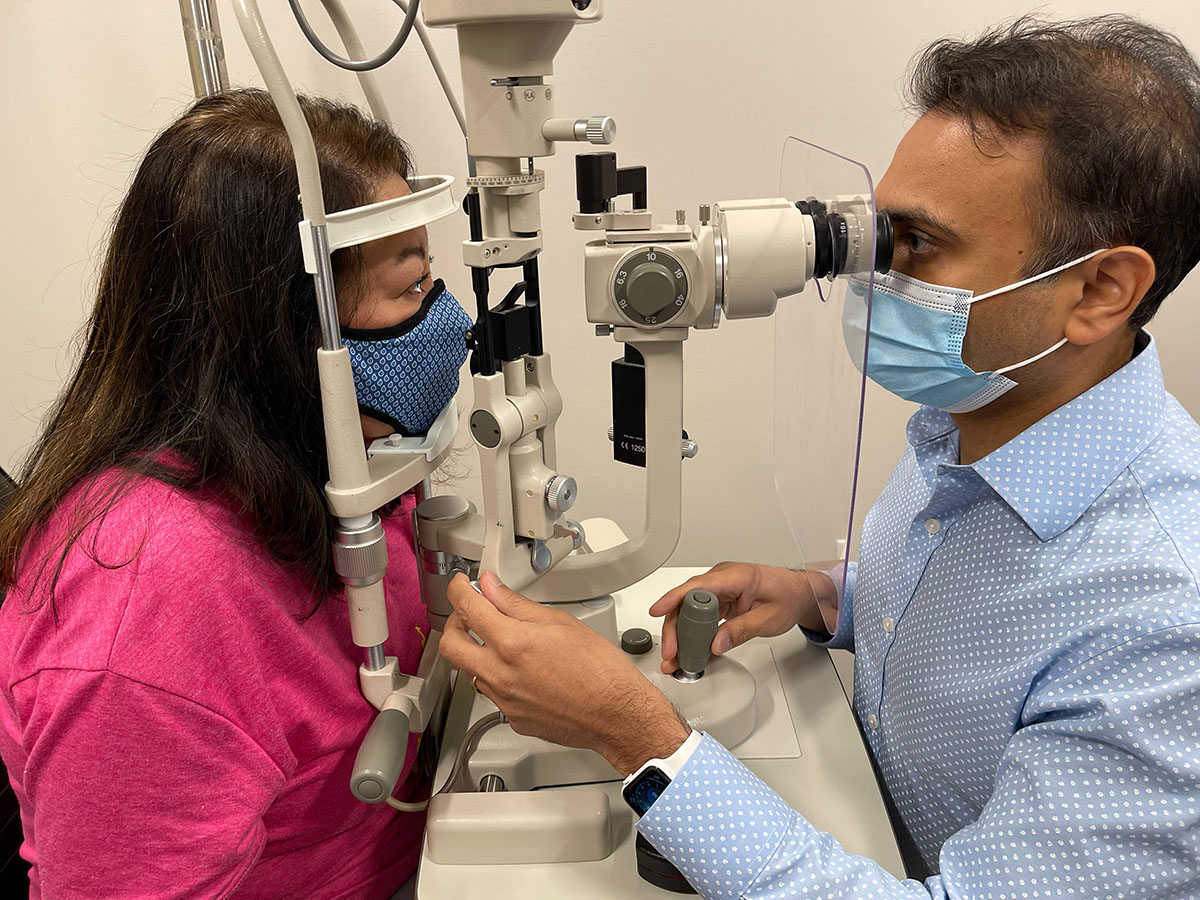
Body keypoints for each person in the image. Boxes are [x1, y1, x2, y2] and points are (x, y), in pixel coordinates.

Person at [440, 15, 1200, 899]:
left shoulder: (1163, 622)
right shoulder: (982, 420)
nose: (872, 274)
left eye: (918, 244)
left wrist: (636, 737)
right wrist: (823, 596)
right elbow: (983, 625)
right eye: (878, 236)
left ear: (1100, 291)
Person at [0, 89, 470, 899]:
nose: (451, 325)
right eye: (410, 288)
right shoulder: (152, 613)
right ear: (288, 327)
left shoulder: (329, 464)